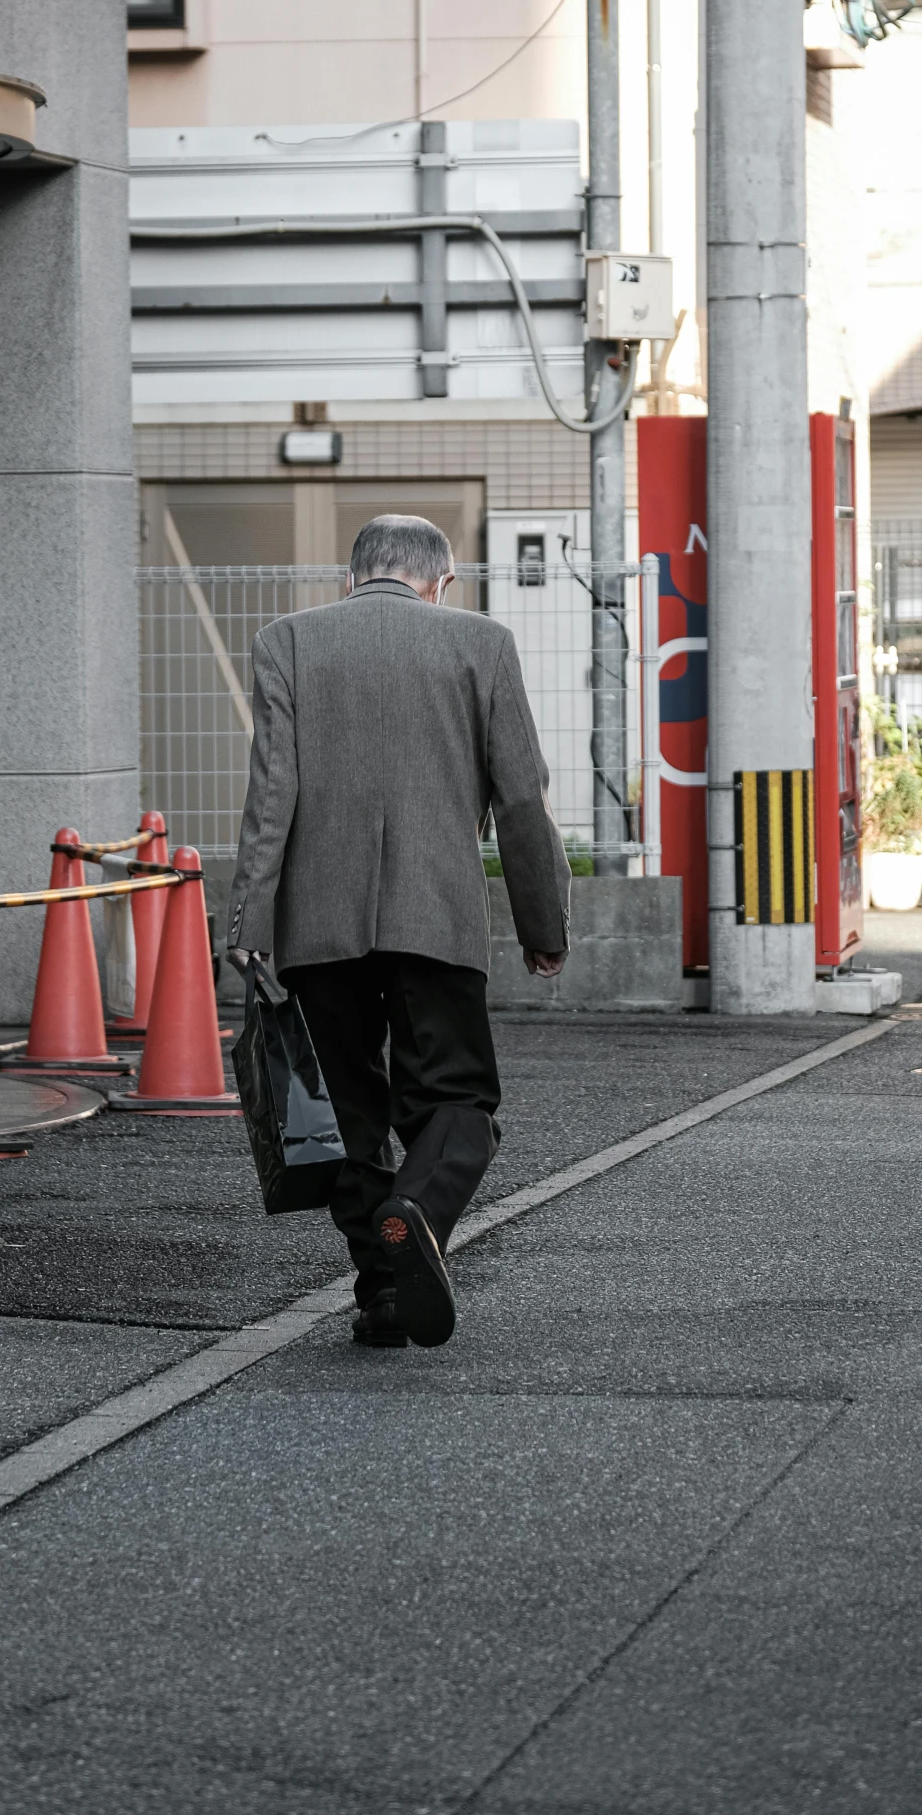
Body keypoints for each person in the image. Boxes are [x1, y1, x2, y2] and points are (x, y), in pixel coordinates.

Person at [227, 513, 570, 1349]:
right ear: (440, 580)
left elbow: (273, 795)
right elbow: (520, 796)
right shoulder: (480, 643)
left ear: (353, 576)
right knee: (456, 1098)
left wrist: (250, 921)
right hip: (436, 917)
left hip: (318, 925)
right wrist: (541, 919)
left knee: (346, 1114)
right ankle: (413, 1210)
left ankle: (383, 1293)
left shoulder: (287, 642)